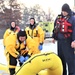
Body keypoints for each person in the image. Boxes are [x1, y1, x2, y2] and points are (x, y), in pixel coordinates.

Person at [52, 3, 75, 75]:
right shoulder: (59, 18)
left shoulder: (72, 19)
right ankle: (63, 73)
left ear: (68, 11)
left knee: (70, 60)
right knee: (61, 59)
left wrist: (74, 40)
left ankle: (72, 73)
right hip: (60, 42)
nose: (63, 13)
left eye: (65, 11)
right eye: (62, 11)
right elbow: (55, 27)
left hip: (68, 42)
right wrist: (54, 37)